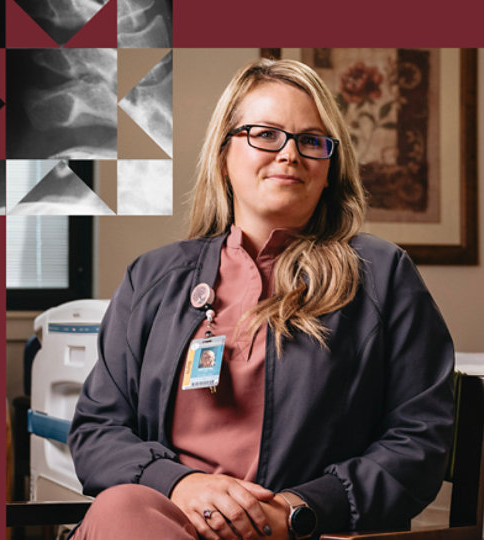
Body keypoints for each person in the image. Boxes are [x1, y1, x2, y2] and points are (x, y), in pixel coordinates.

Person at [67, 58, 455, 540]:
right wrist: (180, 483)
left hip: (302, 534)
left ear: (329, 169)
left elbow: (420, 439)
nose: (289, 154)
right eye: (265, 134)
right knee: (122, 507)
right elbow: (97, 432)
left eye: (311, 141)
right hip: (168, 524)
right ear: (224, 154)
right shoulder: (153, 277)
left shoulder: (381, 275)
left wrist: (297, 511)